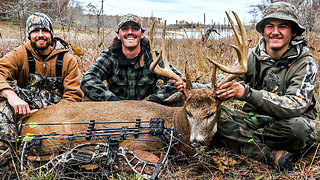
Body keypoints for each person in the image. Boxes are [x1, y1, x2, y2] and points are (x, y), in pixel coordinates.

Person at [213, 2, 318, 169]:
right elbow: (225, 83)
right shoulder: (250, 57)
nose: (275, 32)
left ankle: (239, 140)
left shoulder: (305, 64)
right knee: (214, 116)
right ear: (263, 31)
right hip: (254, 120)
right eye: (270, 26)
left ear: (294, 32)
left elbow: (296, 105)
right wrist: (193, 88)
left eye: (282, 27)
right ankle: (272, 155)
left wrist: (247, 93)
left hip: (286, 124)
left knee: (299, 129)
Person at [0, 12, 83, 165]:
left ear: (51, 33)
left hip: (59, 114)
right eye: (35, 31)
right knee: (3, 101)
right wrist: (12, 96)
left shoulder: (68, 60)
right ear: (29, 34)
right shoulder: (19, 54)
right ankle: (6, 153)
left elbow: (74, 96)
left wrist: (45, 116)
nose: (40, 35)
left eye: (44, 31)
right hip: (25, 110)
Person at [80, 14, 183, 103]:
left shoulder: (153, 57)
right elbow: (87, 80)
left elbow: (179, 80)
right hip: (115, 111)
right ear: (118, 35)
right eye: (125, 29)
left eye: (135, 28)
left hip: (149, 111)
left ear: (142, 34)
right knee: (88, 96)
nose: (130, 32)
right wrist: (112, 101)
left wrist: (155, 100)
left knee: (179, 99)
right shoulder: (109, 56)